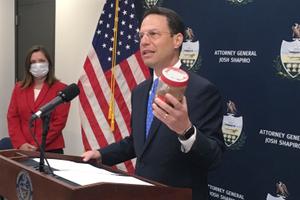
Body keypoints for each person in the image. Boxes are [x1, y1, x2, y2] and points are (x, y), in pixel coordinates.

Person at [82, 7, 225, 200]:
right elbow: (138, 142)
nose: (144, 41)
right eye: (141, 35)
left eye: (153, 34)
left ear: (177, 40)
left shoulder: (201, 90)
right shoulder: (140, 91)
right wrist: (100, 154)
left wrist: (186, 131)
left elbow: (214, 158)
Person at [7, 45, 70, 154]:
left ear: (49, 63)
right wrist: (21, 143)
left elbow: (58, 122)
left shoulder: (61, 89)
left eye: (41, 61)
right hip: (23, 149)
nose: (38, 65)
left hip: (50, 150)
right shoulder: (19, 88)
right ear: (28, 66)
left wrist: (36, 144)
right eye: (33, 62)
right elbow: (12, 117)